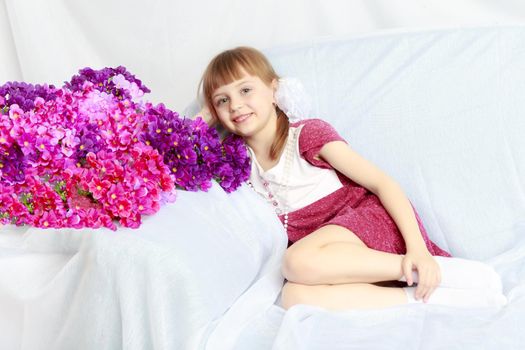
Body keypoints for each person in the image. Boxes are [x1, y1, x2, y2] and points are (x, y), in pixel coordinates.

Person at [196, 46, 507, 311]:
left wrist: (418, 251)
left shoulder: (306, 135)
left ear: (274, 90)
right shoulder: (234, 160)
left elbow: (382, 183)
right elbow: (178, 152)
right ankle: (419, 298)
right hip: (329, 258)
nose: (235, 105)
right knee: (294, 297)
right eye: (222, 100)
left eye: (245, 90)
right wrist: (204, 117)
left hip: (364, 224)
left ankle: (425, 269)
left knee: (294, 263)